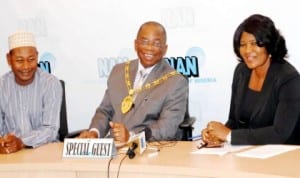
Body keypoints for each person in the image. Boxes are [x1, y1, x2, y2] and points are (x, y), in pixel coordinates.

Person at [79, 21, 188, 144]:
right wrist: (94, 132)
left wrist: (132, 137)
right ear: (136, 44)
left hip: (148, 149)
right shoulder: (119, 71)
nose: (149, 48)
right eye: (145, 42)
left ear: (165, 49)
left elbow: (167, 127)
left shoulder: (175, 81)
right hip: (112, 149)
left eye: (156, 44)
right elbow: (105, 111)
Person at [201, 14, 300, 145]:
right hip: (248, 153)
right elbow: (234, 121)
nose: (247, 50)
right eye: (243, 44)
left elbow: (280, 133)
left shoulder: (288, 78)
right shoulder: (241, 71)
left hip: (284, 156)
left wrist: (229, 135)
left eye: (254, 44)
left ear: (269, 45)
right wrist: (217, 134)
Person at [0, 31, 63, 154]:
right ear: (9, 59)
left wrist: (22, 141)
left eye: (31, 59)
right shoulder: (1, 86)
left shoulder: (50, 84)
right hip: (10, 155)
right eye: (19, 60)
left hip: (45, 153)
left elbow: (50, 129)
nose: (26, 66)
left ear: (37, 56)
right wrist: (3, 143)